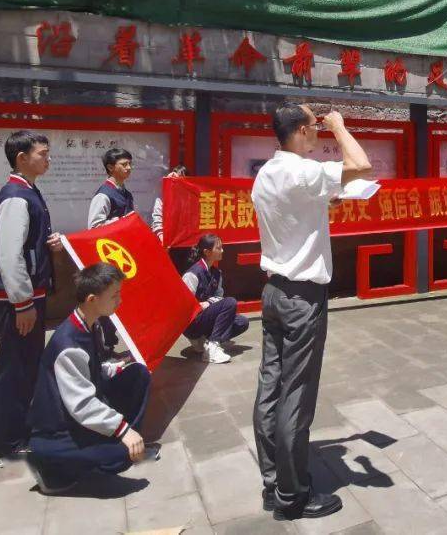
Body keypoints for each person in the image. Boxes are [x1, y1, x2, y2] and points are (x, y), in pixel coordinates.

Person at [251, 105, 371, 520]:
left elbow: (294, 216)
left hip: (273, 290)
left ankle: (273, 483)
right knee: (296, 395)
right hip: (302, 298)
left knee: (270, 387)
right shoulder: (303, 171)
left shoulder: (267, 173)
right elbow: (361, 164)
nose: (319, 130)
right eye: (315, 126)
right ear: (302, 130)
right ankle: (293, 495)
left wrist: (323, 212)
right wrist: (339, 124)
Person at [26, 263, 157, 495]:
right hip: (58, 431)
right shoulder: (69, 345)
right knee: (121, 457)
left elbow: (92, 370)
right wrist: (124, 431)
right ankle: (52, 468)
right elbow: (82, 405)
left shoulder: (89, 324)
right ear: (92, 299)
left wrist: (119, 367)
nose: (120, 300)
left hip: (77, 415)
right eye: (114, 295)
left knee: (138, 374)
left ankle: (125, 441)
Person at [0, 130, 63, 460]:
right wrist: (22, 303)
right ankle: (7, 443)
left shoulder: (29, 192)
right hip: (18, 302)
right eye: (42, 154)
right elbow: (9, 256)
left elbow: (27, 243)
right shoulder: (15, 197)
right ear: (22, 158)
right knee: (14, 370)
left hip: (31, 297)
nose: (47, 159)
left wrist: (48, 243)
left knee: (28, 365)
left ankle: (24, 430)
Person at [181, 233, 250, 363]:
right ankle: (212, 348)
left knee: (242, 322)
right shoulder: (192, 274)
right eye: (218, 248)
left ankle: (207, 342)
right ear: (207, 252)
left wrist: (208, 302)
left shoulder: (216, 273)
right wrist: (205, 304)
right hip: (192, 323)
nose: (222, 250)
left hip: (206, 316)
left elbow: (219, 296)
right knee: (230, 302)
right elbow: (184, 306)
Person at [88, 147, 135, 229]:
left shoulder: (127, 194)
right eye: (124, 164)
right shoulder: (103, 196)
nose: (129, 168)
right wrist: (121, 221)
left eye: (130, 164)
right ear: (110, 167)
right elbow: (94, 228)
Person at [151, 164, 188, 243]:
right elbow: (157, 221)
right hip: (166, 241)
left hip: (184, 242)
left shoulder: (190, 198)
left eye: (180, 177)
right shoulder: (162, 198)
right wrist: (162, 238)